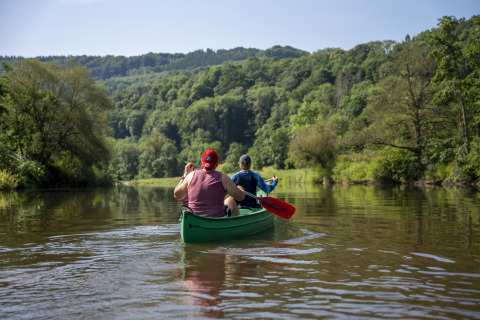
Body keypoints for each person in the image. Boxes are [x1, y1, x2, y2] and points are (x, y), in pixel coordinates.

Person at [174, 149, 245, 217]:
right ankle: (232, 225)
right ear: (217, 164)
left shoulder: (190, 176)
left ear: (202, 161)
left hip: (194, 220)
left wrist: (185, 176)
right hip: (215, 221)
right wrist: (241, 189)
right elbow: (241, 197)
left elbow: (177, 195)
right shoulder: (224, 178)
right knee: (231, 200)